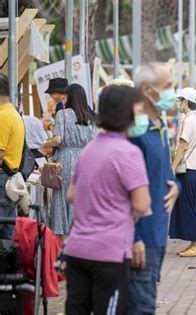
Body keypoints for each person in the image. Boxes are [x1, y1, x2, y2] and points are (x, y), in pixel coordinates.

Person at [64, 85, 151, 315]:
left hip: (77, 250)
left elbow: (71, 195)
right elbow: (142, 204)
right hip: (110, 253)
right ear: (127, 114)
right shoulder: (129, 153)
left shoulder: (89, 149)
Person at [124, 63, 180, 314]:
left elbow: (165, 172)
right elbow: (124, 188)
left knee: (146, 301)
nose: (173, 92)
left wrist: (175, 186)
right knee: (141, 307)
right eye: (168, 86)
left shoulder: (159, 126)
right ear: (147, 89)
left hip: (157, 232)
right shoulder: (134, 131)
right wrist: (134, 237)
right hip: (140, 238)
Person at [44, 84, 97, 236]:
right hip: (86, 161)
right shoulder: (90, 117)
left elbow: (58, 140)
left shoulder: (63, 114)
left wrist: (46, 143)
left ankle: (64, 238)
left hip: (66, 160)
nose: (63, 100)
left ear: (69, 97)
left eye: (65, 97)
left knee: (62, 196)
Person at [170, 87, 196, 257]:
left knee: (190, 206)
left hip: (189, 168)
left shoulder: (189, 120)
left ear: (185, 101)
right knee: (191, 205)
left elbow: (183, 146)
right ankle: (194, 242)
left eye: (180, 99)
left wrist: (173, 166)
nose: (178, 103)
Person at [0, 74, 25, 239]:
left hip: (2, 181)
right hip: (12, 181)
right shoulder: (15, 114)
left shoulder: (2, 117)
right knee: (8, 237)